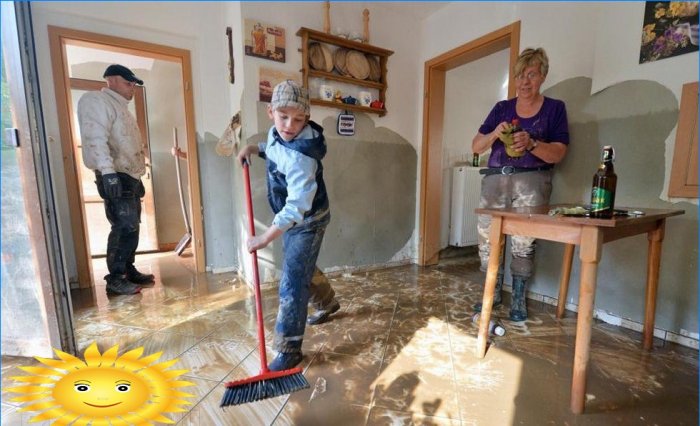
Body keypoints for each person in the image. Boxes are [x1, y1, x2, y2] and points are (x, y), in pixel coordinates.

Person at [236, 80, 340, 371]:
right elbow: (275, 147)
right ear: (270, 112)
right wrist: (254, 148)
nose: (289, 125)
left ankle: (289, 347)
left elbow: (296, 207)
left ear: (306, 118)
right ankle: (328, 303)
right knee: (302, 266)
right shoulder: (277, 133)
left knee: (293, 280)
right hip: (293, 216)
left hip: (308, 221)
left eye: (298, 119)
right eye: (283, 117)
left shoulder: (302, 158)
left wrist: (264, 239)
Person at [472, 48, 569, 321]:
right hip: (495, 180)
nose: (525, 82)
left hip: (533, 181)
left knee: (524, 241)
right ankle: (490, 293)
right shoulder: (501, 108)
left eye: (532, 75)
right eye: (519, 76)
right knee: (488, 240)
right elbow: (476, 146)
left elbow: (560, 153)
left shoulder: (554, 109)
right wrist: (494, 133)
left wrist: (533, 143)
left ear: (543, 76)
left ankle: (518, 298)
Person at [77, 64, 155, 295]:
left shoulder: (120, 108)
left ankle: (128, 269)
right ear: (111, 80)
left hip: (129, 175)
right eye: (128, 83)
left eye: (133, 84)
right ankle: (115, 277)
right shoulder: (97, 102)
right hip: (115, 174)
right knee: (123, 226)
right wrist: (108, 172)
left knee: (132, 226)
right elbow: (95, 137)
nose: (132, 88)